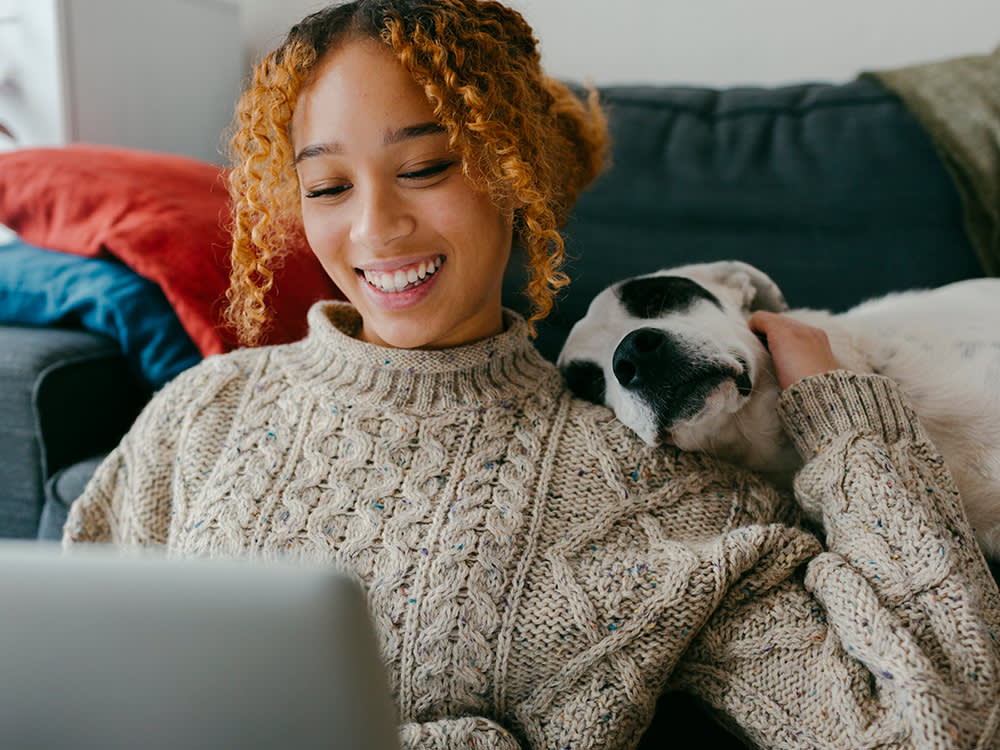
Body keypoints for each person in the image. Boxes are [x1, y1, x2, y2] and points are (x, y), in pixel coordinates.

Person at [64, 1, 1000, 748]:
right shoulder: (204, 412)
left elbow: (934, 729)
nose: (377, 229)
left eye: (425, 166)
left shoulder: (656, 487)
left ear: (515, 172)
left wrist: (845, 424)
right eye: (329, 187)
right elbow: (65, 686)